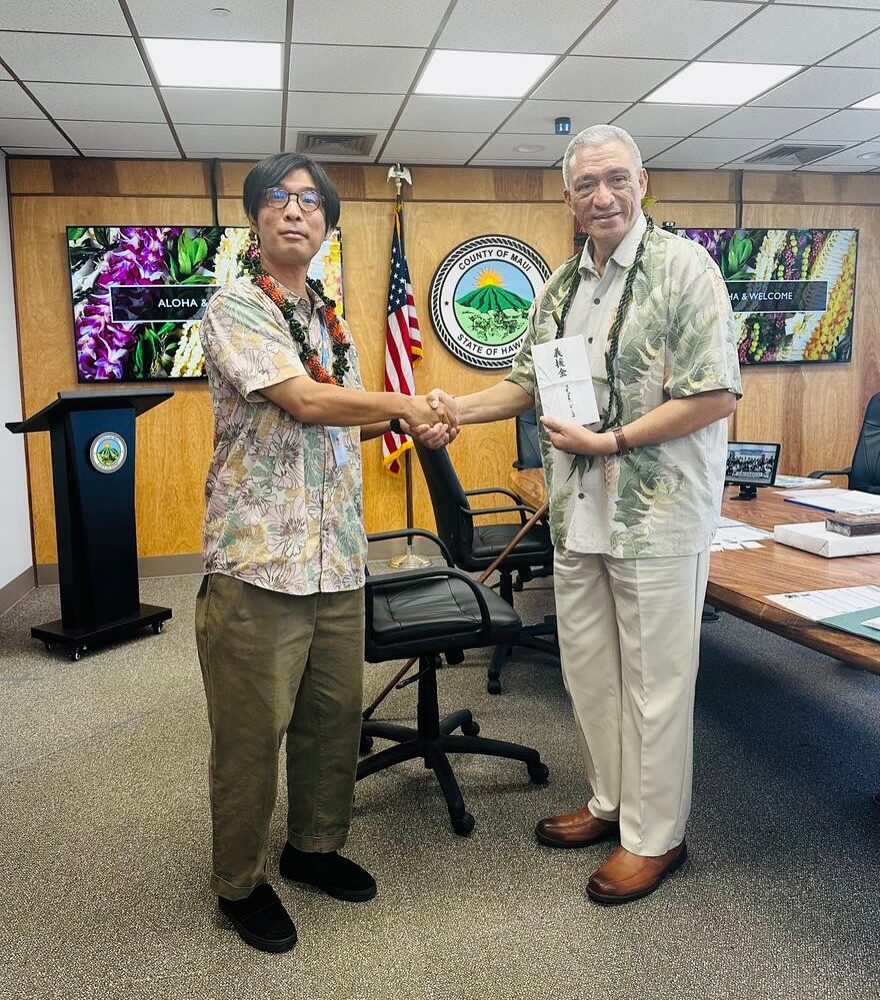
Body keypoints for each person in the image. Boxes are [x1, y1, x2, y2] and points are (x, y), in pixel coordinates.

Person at [429, 124, 741, 904]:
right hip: (577, 514)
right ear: (568, 198)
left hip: (657, 517)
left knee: (657, 683)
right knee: (592, 673)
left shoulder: (685, 269)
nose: (602, 197)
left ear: (643, 181)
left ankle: (655, 836)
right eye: (585, 185)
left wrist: (614, 441)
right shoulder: (561, 286)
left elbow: (714, 395)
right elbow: (526, 384)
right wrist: (452, 410)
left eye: (615, 179)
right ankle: (611, 803)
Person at [195, 152, 454, 953]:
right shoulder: (236, 306)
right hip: (258, 566)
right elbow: (305, 401)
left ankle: (312, 848)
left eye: (311, 201)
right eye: (278, 197)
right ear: (255, 218)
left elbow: (343, 422)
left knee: (331, 723)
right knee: (251, 739)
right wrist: (407, 401)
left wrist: (406, 423)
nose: (294, 210)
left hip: (336, 560)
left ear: (327, 225)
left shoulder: (327, 320)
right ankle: (239, 883)